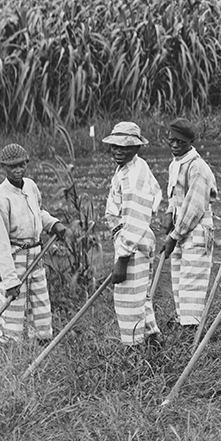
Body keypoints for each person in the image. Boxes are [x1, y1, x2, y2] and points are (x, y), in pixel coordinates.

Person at [0, 143, 66, 344]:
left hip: (36, 255)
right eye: (12, 166)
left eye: (21, 165)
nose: (18, 170)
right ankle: (11, 353)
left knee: (40, 304)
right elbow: (0, 244)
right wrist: (10, 280)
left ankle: (42, 345)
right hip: (15, 258)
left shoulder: (30, 186)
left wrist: (52, 223)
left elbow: (38, 212)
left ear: (27, 163)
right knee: (13, 308)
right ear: (4, 167)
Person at [100, 121, 162, 348]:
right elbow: (156, 194)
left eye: (124, 147)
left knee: (128, 299)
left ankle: (134, 350)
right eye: (115, 146)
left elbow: (136, 219)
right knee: (140, 296)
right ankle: (153, 340)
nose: (118, 150)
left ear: (136, 148)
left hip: (133, 240)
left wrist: (122, 259)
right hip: (133, 237)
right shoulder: (132, 167)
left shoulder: (134, 176)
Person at [160, 121, 217, 338]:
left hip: (196, 231)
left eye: (180, 142)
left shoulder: (197, 167)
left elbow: (194, 207)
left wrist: (175, 235)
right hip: (180, 229)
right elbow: (174, 197)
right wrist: (168, 213)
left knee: (192, 280)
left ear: (190, 142)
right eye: (171, 140)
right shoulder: (175, 164)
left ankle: (191, 330)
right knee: (179, 279)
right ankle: (182, 322)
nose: (175, 145)